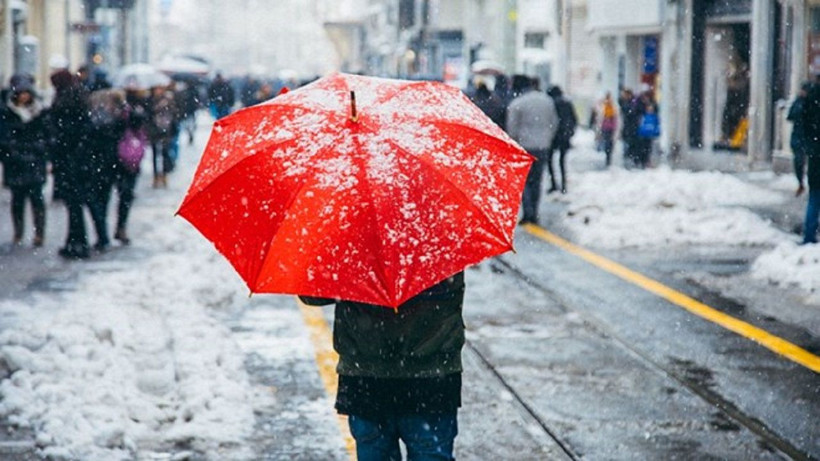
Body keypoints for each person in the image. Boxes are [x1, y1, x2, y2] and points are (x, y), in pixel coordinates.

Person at [299, 272, 465, 461]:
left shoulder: (351, 248)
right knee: (430, 453)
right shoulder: (440, 246)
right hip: (431, 377)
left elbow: (311, 292)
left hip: (367, 376)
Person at [49, 69, 93, 259]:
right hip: (74, 159)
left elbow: (68, 129)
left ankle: (78, 242)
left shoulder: (68, 99)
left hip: (71, 159)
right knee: (74, 204)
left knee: (74, 204)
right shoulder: (76, 95)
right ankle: (75, 241)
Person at [0, 74, 49, 247]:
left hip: (34, 160)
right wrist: (11, 151)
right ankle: (18, 232)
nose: (23, 96)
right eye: (20, 92)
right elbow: (3, 137)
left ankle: (39, 233)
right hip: (15, 162)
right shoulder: (7, 112)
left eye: (26, 92)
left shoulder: (40, 111)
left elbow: (46, 134)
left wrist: (39, 149)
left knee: (37, 199)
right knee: (17, 199)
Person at [506, 75, 558, 225]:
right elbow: (553, 123)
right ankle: (534, 211)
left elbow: (512, 129)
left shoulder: (517, 104)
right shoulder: (547, 101)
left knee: (525, 181)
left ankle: (527, 212)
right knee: (537, 180)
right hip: (542, 146)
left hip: (524, 147)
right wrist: (547, 138)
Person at [86, 89, 128, 251]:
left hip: (102, 164)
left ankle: (103, 235)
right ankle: (107, 233)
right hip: (113, 164)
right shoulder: (119, 116)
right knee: (106, 198)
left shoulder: (97, 118)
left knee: (100, 199)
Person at [799, 81, 820, 244]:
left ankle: (809, 236)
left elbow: (801, 122)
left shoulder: (810, 97)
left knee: (814, 196)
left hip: (815, 154)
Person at [546, 85, 577, 193]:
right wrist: (570, 132)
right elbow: (574, 119)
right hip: (564, 135)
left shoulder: (551, 104)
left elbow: (549, 120)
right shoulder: (567, 103)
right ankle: (563, 185)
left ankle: (554, 183)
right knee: (562, 161)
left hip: (553, 136)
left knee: (550, 161)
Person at [148, 85, 180, 188]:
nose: (158, 91)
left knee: (165, 153)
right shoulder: (150, 100)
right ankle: (156, 176)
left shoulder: (168, 99)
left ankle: (164, 175)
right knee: (154, 155)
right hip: (154, 130)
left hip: (166, 130)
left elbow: (175, 113)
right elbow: (148, 115)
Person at [788, 82, 812, 198]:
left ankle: (810, 186)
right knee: (799, 162)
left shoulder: (812, 103)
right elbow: (790, 116)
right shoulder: (798, 102)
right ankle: (801, 183)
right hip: (799, 137)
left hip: (808, 137)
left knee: (810, 163)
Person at [619, 88, 639, 167]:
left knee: (631, 145)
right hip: (627, 127)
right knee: (627, 144)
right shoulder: (625, 102)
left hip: (632, 127)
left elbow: (631, 113)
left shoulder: (632, 103)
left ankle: (631, 159)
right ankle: (628, 159)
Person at [598, 92, 618, 167]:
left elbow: (617, 118)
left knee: (610, 143)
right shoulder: (603, 107)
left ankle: (609, 157)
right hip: (605, 127)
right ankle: (607, 156)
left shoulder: (614, 107)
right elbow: (600, 117)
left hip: (611, 128)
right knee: (606, 143)